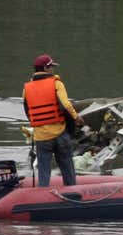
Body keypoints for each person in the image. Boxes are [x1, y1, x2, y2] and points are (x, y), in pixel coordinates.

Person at [22, 53, 86, 187]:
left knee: (44, 171)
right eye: (51, 67)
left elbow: (28, 111)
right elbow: (66, 105)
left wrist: (38, 124)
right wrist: (77, 118)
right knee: (67, 168)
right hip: (60, 134)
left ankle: (43, 198)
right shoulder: (56, 84)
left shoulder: (26, 89)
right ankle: (72, 193)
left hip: (41, 137)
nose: (53, 69)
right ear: (46, 68)